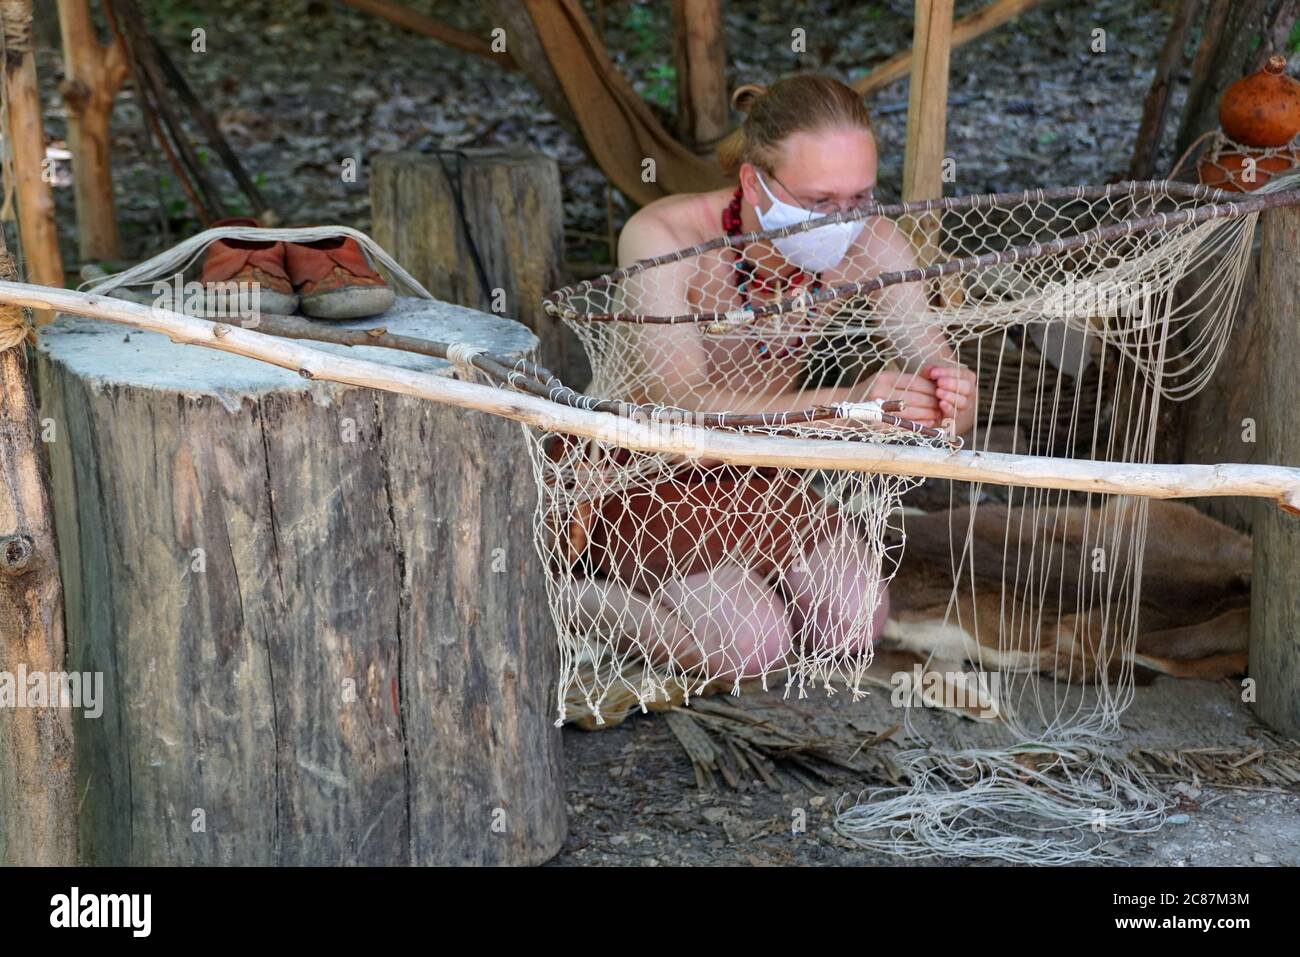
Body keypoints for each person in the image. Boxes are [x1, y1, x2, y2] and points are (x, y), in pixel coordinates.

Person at [586, 74, 977, 682]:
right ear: (753, 182)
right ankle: (572, 595)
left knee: (854, 627)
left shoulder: (871, 241)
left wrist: (950, 393)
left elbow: (944, 380)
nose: (843, 219)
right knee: (750, 646)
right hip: (643, 471)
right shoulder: (664, 238)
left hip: (760, 469)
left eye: (860, 198)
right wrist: (850, 403)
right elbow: (682, 403)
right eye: (820, 201)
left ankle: (738, 587)